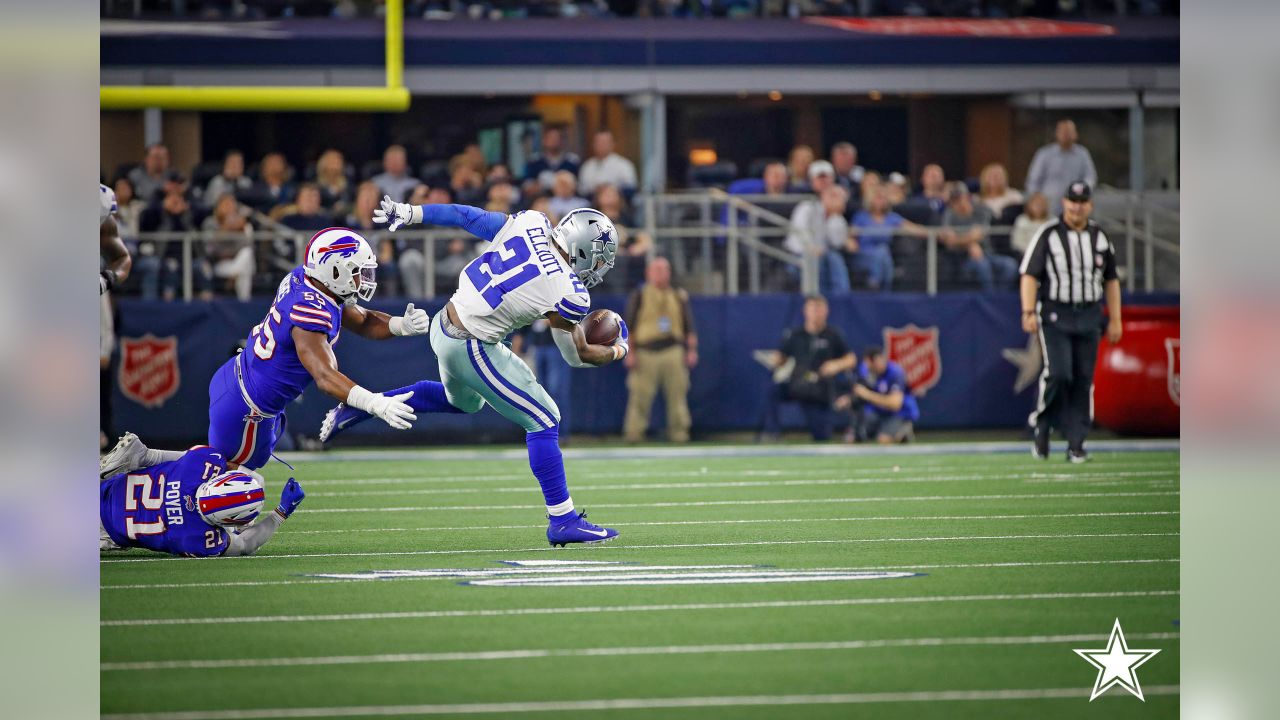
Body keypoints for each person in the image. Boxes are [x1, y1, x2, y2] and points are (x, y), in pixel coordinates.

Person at [320, 199, 630, 546]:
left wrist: (411, 213)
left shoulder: (530, 223)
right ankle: (563, 520)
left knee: (466, 404)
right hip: (472, 344)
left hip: (444, 323)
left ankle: (360, 407)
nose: (600, 268)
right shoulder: (570, 293)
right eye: (600, 259)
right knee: (545, 420)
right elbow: (577, 355)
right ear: (584, 249)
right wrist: (619, 348)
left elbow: (466, 216)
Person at [207, 227, 430, 470]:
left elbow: (363, 320)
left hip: (238, 379)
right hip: (248, 408)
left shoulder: (309, 280)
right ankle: (159, 474)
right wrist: (375, 404)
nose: (363, 279)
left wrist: (401, 325)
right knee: (234, 491)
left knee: (225, 478)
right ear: (334, 271)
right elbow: (325, 376)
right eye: (357, 271)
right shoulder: (309, 311)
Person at [1019, 181, 1122, 463]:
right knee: (1060, 373)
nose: (1077, 207)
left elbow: (1111, 280)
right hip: (1056, 313)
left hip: (1089, 313)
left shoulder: (1100, 237)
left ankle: (1076, 443)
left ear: (1090, 205)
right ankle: (1042, 423)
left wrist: (1115, 318)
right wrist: (1028, 312)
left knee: (1083, 380)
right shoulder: (1048, 234)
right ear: (1064, 203)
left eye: (1082, 201)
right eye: (1072, 201)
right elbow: (1029, 275)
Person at [98, 433, 305, 557]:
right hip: (103, 531)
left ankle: (141, 454)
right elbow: (244, 544)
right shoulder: (197, 539)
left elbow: (227, 466)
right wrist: (280, 513)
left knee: (156, 459)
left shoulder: (202, 463)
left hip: (102, 487)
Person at [759, 295, 856, 442]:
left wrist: (836, 365)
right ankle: (772, 433)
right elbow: (782, 357)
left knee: (821, 436)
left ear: (826, 311)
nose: (816, 313)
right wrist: (775, 360)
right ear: (805, 311)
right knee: (774, 390)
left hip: (819, 388)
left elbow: (851, 359)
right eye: (812, 309)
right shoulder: (795, 335)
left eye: (819, 308)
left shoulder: (833, 335)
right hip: (798, 383)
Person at [623, 257, 698, 443]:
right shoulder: (640, 295)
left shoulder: (678, 296)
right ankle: (634, 433)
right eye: (656, 269)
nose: (660, 273)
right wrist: (630, 352)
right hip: (645, 351)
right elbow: (629, 326)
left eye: (664, 269)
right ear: (648, 273)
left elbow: (689, 326)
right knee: (639, 396)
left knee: (677, 396)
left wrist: (692, 350)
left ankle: (679, 433)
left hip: (673, 350)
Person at [940, 183, 1018, 291]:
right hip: (963, 259)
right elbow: (949, 241)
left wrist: (964, 240)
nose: (958, 203)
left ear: (967, 197)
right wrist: (970, 244)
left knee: (1010, 265)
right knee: (982, 265)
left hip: (988, 254)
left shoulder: (981, 210)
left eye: (960, 198)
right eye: (954, 200)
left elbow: (978, 235)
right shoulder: (949, 214)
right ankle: (990, 299)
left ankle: (999, 297)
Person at [786, 169, 852, 295]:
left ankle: (841, 296)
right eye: (834, 196)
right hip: (796, 255)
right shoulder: (807, 207)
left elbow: (837, 242)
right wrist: (811, 248)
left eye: (842, 199)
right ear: (824, 196)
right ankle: (817, 298)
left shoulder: (838, 219)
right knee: (821, 260)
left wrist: (834, 217)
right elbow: (799, 233)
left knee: (834, 258)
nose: (838, 201)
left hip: (823, 256)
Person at [836, 345, 919, 444]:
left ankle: (903, 431)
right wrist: (848, 399)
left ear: (877, 360)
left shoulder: (895, 372)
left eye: (869, 364)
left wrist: (867, 394)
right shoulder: (866, 371)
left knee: (883, 440)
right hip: (877, 412)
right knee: (852, 437)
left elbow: (895, 404)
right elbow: (861, 393)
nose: (867, 367)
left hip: (898, 413)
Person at [849, 188, 927, 292]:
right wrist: (850, 242)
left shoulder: (891, 218)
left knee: (883, 253)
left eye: (883, 198)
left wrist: (936, 233)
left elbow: (913, 228)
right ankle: (884, 290)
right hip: (863, 255)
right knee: (883, 253)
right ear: (870, 200)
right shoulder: (861, 217)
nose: (880, 201)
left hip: (884, 257)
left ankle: (874, 283)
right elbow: (851, 234)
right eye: (877, 198)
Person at [1026, 119, 1098, 214]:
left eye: (1069, 132)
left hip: (1075, 205)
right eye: (1063, 132)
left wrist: (1082, 192)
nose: (1066, 135)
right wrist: (1036, 199)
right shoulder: (1044, 154)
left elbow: (1090, 177)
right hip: (1048, 208)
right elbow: (1033, 180)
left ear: (1075, 134)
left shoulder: (1082, 154)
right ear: (1056, 134)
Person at [578, 130, 637, 195]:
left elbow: (631, 188)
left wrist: (610, 190)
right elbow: (581, 191)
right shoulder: (587, 166)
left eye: (604, 142)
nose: (601, 145)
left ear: (613, 144)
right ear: (593, 144)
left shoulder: (624, 165)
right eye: (598, 142)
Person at [523, 127, 581, 192]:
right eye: (551, 138)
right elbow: (527, 186)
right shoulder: (534, 161)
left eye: (557, 138)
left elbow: (579, 186)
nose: (554, 141)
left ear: (562, 141)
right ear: (544, 141)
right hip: (541, 199)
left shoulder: (572, 161)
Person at [314, 149, 353, 213]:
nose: (336, 164)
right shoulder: (316, 186)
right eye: (333, 161)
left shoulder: (348, 186)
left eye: (339, 161)